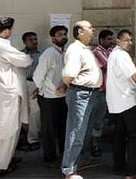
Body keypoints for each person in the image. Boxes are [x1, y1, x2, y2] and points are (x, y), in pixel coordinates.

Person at [0, 16, 33, 177]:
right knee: (8, 130)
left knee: (3, 128)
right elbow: (25, 60)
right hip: (7, 93)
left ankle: (5, 160)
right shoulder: (1, 46)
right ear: (6, 31)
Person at [61, 21, 102, 179]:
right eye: (90, 28)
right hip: (81, 94)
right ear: (80, 32)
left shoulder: (85, 49)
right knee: (76, 132)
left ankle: (77, 162)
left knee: (83, 132)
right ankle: (69, 170)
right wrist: (67, 85)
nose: (93, 30)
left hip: (90, 94)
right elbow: (69, 74)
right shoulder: (75, 49)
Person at [106, 29, 136, 179]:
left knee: (119, 136)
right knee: (134, 136)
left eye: (131, 39)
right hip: (127, 102)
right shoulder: (122, 55)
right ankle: (132, 171)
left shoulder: (113, 55)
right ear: (118, 41)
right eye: (126, 40)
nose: (130, 42)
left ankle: (118, 167)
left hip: (116, 103)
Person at [33, 25, 69, 168]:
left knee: (63, 127)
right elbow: (38, 76)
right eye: (60, 34)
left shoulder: (65, 52)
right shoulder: (48, 53)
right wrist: (41, 90)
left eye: (65, 34)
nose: (64, 36)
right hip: (48, 97)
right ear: (53, 38)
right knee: (48, 129)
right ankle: (49, 158)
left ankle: (63, 154)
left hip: (63, 96)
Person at [88, 29, 115, 157]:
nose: (111, 41)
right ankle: (94, 144)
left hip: (111, 91)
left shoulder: (110, 51)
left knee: (110, 118)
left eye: (111, 39)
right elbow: (109, 65)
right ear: (101, 40)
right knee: (97, 118)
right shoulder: (97, 52)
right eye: (109, 39)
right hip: (100, 91)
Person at [20, 31, 41, 151]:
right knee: (21, 112)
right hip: (22, 84)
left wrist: (40, 87)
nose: (34, 41)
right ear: (24, 42)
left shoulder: (41, 55)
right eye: (31, 40)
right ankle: (23, 136)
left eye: (35, 39)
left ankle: (33, 139)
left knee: (35, 112)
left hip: (35, 84)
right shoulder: (19, 55)